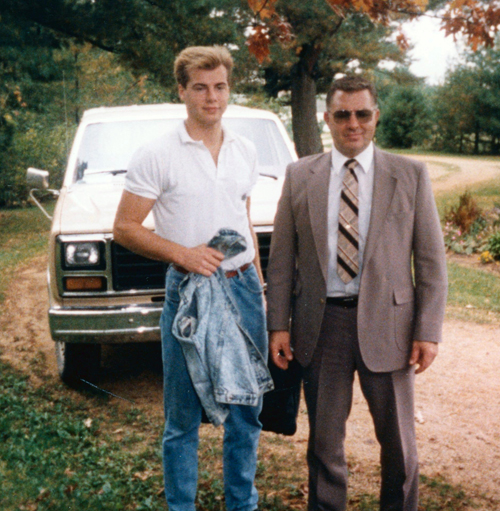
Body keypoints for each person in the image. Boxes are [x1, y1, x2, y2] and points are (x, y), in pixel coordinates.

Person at [266, 75, 448, 511]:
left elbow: (430, 262)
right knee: (325, 446)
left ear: (376, 117)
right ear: (327, 118)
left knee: (400, 447)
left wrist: (428, 330)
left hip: (391, 328)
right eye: (343, 114)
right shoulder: (299, 176)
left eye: (362, 114)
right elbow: (281, 261)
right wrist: (278, 326)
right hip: (321, 326)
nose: (353, 123)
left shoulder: (410, 175)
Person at [113, 46, 268, 511]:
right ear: (181, 91)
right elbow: (124, 228)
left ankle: (242, 503)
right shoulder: (157, 153)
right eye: (200, 87)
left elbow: (242, 219)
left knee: (246, 412)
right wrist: (182, 253)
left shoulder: (245, 150)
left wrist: (257, 287)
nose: (211, 97)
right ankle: (182, 506)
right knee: (182, 417)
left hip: (241, 288)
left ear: (229, 90)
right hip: (189, 294)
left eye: (219, 86)